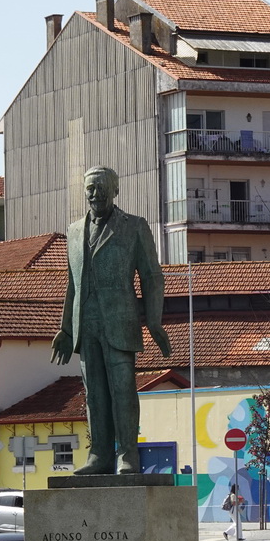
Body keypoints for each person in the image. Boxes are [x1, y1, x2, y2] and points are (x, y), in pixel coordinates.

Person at [51, 166, 171, 475]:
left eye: (101, 187)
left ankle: (127, 454)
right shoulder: (75, 230)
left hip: (120, 321)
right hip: (86, 324)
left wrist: (154, 320)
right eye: (90, 188)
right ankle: (99, 455)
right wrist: (66, 328)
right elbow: (73, 282)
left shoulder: (134, 227)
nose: (95, 193)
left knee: (123, 390)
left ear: (115, 191)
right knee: (94, 394)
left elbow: (152, 276)